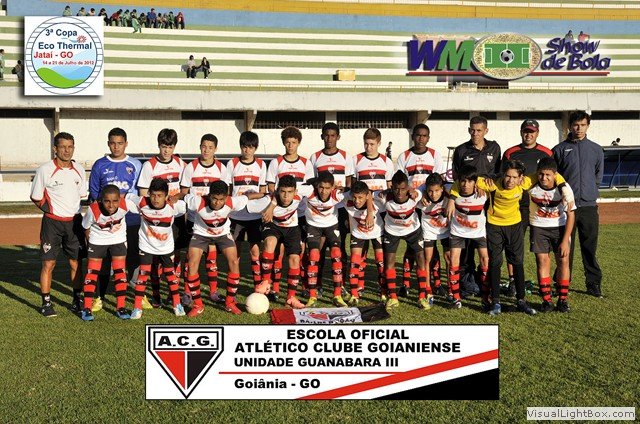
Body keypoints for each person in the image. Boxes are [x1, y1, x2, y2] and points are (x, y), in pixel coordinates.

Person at [181, 181, 266, 316]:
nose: (217, 202)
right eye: (214, 198)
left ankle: (229, 302)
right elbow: (183, 196)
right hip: (201, 234)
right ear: (209, 195)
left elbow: (248, 196)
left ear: (226, 197)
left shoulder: (232, 202)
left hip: (223, 234)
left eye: (221, 199)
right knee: (192, 264)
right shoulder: (197, 201)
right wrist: (173, 197)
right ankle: (198, 305)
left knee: (234, 262)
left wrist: (266, 194)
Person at [30, 132, 87, 317]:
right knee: (49, 263)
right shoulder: (44, 170)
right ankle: (46, 303)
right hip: (52, 223)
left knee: (76, 263)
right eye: (62, 147)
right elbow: (36, 197)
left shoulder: (79, 169)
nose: (66, 150)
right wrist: (51, 210)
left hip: (74, 223)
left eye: (70, 147)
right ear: (55, 149)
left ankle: (77, 301)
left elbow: (81, 195)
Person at [87, 127, 142, 313]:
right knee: (104, 264)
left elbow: (138, 192)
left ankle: (137, 295)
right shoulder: (99, 165)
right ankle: (99, 297)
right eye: (113, 143)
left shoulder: (135, 164)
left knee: (133, 259)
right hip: (105, 225)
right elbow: (94, 193)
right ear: (108, 144)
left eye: (120, 143)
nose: (116, 147)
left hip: (131, 221)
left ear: (126, 144)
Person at [553, 110, 604, 297]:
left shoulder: (596, 149)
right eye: (576, 125)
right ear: (569, 126)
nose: (579, 128)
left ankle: (593, 283)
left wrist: (590, 192)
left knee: (589, 247)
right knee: (565, 248)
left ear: (588, 126)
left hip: (589, 206)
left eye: (583, 125)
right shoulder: (559, 150)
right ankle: (562, 281)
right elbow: (555, 178)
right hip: (567, 208)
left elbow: (598, 176)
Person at [501, 119, 552, 296]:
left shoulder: (546, 152)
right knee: (513, 245)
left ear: (537, 133)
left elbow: (553, 176)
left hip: (540, 206)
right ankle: (513, 281)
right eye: (525, 131)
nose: (528, 135)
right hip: (517, 206)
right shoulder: (510, 152)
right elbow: (503, 177)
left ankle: (545, 284)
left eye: (532, 131)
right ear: (521, 132)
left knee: (542, 248)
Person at [452, 116, 501, 297]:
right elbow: (457, 177)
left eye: (479, 130)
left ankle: (485, 281)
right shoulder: (461, 150)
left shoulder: (495, 148)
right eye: (472, 130)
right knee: (466, 247)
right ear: (469, 130)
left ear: (486, 131)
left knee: (486, 244)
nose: (475, 133)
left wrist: (484, 185)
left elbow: (498, 173)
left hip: (488, 203)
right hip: (467, 204)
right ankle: (467, 282)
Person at [137, 129, 186, 307]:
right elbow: (143, 193)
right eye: (164, 146)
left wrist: (176, 198)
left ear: (175, 146)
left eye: (170, 147)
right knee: (155, 258)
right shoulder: (149, 165)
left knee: (175, 255)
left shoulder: (180, 164)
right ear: (159, 145)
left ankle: (173, 294)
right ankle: (156, 294)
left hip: (176, 216)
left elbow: (185, 189)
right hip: (156, 218)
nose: (166, 150)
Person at [265, 126, 314, 300]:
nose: (290, 146)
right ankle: (275, 288)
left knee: (300, 251)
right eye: (287, 142)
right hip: (280, 213)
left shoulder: (306, 163)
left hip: (299, 214)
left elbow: (309, 187)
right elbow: (271, 187)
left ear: (298, 143)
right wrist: (281, 201)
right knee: (278, 252)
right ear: (283, 143)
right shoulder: (276, 162)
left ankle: (302, 285)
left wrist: (295, 200)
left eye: (293, 142)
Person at [180, 134, 230, 303]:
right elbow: (185, 193)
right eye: (204, 146)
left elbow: (225, 195)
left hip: (214, 221)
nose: (206, 150)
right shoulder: (190, 167)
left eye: (210, 147)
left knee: (212, 257)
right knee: (191, 258)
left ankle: (213, 292)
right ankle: (187, 292)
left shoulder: (221, 168)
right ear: (199, 146)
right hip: (195, 220)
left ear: (216, 149)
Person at [397, 123, 445, 298]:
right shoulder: (404, 156)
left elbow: (438, 180)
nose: (421, 138)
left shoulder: (434, 155)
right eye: (418, 135)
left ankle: (437, 283)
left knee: (433, 246)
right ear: (413, 137)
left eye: (424, 136)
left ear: (428, 138)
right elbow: (401, 182)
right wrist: (415, 193)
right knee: (412, 246)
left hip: (430, 206)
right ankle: (406, 284)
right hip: (412, 207)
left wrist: (426, 193)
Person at [128, 178, 187, 319]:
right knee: (143, 274)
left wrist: (177, 197)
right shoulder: (141, 202)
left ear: (166, 196)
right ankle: (137, 308)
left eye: (160, 195)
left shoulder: (175, 206)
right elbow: (128, 197)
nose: (156, 199)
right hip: (146, 245)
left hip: (166, 247)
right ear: (149, 193)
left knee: (170, 275)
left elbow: (189, 203)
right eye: (153, 195)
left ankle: (177, 304)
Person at [309, 122, 353, 297]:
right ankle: (317, 284)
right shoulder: (315, 157)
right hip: (321, 209)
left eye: (333, 135)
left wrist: (341, 193)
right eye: (326, 135)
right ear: (322, 136)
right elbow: (312, 182)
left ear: (338, 137)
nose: (329, 138)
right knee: (318, 248)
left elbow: (349, 183)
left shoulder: (346, 157)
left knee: (339, 248)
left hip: (340, 208)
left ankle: (341, 284)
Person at [255, 175, 310, 309]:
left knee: (295, 259)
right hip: (273, 226)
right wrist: (270, 206)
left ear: (295, 192)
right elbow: (248, 202)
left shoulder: (300, 195)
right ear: (278, 191)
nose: (286, 196)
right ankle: (266, 282)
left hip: (292, 228)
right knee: (270, 242)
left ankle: (291, 297)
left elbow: (317, 185)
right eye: (283, 192)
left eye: (290, 192)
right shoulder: (268, 200)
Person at [529, 158, 576, 312]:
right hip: (538, 227)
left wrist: (565, 240)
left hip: (560, 228)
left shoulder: (564, 189)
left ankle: (563, 300)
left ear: (555, 175)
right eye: (541, 174)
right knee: (542, 261)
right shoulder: (531, 184)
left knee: (563, 261)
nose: (544, 178)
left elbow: (571, 215)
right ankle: (547, 301)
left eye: (548, 175)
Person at [379, 171, 430, 310]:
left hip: (413, 230)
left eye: (403, 189)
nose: (399, 192)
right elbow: (368, 195)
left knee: (421, 258)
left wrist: (417, 192)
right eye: (396, 189)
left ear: (408, 187)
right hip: (392, 232)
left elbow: (424, 189)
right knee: (389, 261)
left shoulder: (415, 195)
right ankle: (393, 297)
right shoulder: (384, 197)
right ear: (391, 187)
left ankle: (421, 297)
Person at [80, 185, 132, 321]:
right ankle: (86, 308)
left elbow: (144, 206)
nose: (111, 205)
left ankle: (121, 307)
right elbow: (85, 227)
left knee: (120, 272)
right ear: (101, 200)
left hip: (118, 240)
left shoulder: (126, 205)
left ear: (120, 200)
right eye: (107, 201)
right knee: (92, 273)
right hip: (97, 240)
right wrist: (90, 243)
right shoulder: (93, 210)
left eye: (115, 201)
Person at [351, 128, 394, 293]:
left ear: (379, 143)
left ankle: (382, 286)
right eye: (366, 144)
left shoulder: (386, 161)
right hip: (361, 210)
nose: (368, 147)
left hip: (381, 212)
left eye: (372, 144)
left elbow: (390, 187)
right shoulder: (356, 160)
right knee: (361, 249)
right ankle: (359, 285)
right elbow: (354, 187)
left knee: (380, 252)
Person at [300, 171, 348, 307]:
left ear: (333, 187)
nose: (324, 191)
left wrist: (369, 212)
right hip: (313, 226)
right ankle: (312, 296)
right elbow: (289, 188)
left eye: (327, 188)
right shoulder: (309, 191)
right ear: (317, 185)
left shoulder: (337, 194)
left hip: (331, 226)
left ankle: (337, 295)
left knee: (336, 254)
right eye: (321, 187)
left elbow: (363, 193)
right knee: (314, 256)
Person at [228, 131, 267, 292]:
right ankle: (234, 286)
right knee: (234, 253)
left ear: (255, 148)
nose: (247, 150)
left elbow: (263, 191)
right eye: (244, 146)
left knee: (255, 251)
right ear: (240, 147)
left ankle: (257, 285)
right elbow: (229, 190)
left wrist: (251, 197)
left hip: (254, 215)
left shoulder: (261, 165)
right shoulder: (232, 163)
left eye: (251, 147)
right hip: (235, 215)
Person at [445, 165, 488, 310]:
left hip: (479, 232)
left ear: (475, 182)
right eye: (463, 181)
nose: (465, 184)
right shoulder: (453, 191)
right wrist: (451, 199)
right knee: (453, 260)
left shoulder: (484, 193)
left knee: (485, 260)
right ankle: (456, 298)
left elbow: (496, 183)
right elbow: (434, 186)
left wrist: (481, 185)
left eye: (469, 181)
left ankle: (485, 297)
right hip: (458, 231)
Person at [343, 181, 379, 305]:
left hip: (376, 233)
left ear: (367, 196)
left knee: (380, 261)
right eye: (354, 197)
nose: (357, 201)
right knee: (355, 261)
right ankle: (354, 294)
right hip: (357, 233)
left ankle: (384, 293)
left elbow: (376, 194)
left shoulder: (377, 202)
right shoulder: (346, 200)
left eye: (360, 198)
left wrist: (370, 213)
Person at [419, 173, 451, 299]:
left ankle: (451, 288)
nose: (433, 194)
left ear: (442, 189)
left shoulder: (449, 192)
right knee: (428, 259)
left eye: (437, 191)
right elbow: (411, 191)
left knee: (449, 257)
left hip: (446, 229)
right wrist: (421, 194)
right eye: (430, 191)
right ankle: (428, 289)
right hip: (429, 231)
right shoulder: (421, 197)